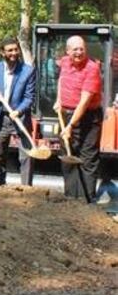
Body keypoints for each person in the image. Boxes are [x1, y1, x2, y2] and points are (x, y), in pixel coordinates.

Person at [0, 37, 36, 186]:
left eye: (15, 49)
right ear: (2, 53)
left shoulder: (28, 71)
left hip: (20, 118)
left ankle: (26, 188)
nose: (14, 53)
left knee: (26, 156)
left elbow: (29, 97)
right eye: (10, 50)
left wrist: (18, 111)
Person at [55, 35, 102, 199]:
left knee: (87, 159)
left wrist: (70, 126)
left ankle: (86, 200)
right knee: (68, 157)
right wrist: (58, 99)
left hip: (88, 118)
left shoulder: (92, 68)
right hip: (66, 115)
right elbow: (61, 79)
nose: (79, 52)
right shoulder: (64, 62)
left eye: (82, 49)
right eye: (75, 49)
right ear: (68, 51)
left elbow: (84, 102)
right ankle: (70, 199)